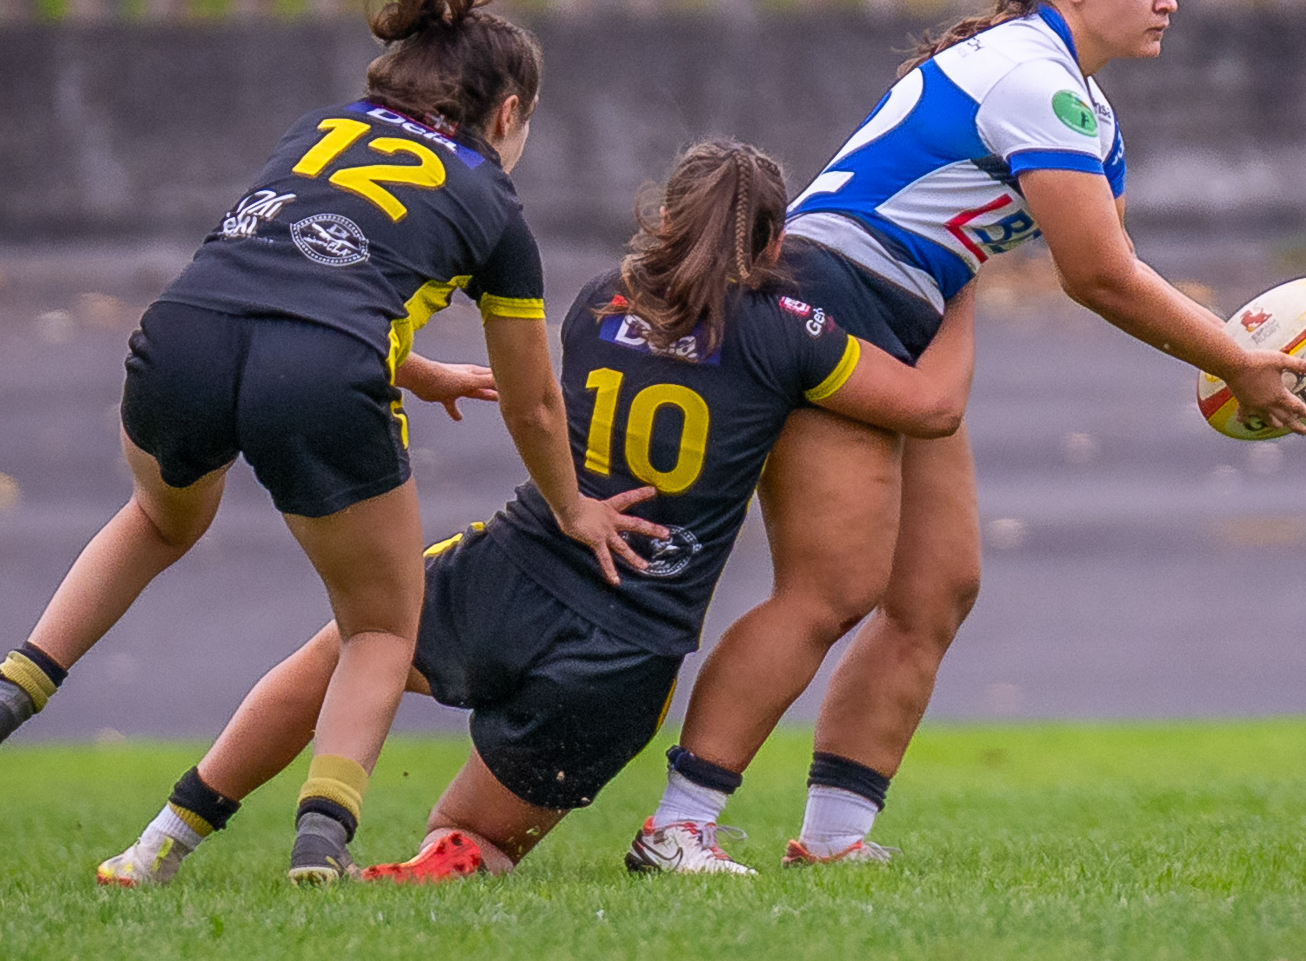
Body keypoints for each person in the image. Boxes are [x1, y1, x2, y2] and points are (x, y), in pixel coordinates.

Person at [0, 0, 657, 883]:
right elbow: (534, 404)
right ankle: (321, 840)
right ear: (508, 113)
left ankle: (12, 689)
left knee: (157, 518)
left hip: (184, 335)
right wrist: (572, 507)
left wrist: (414, 369)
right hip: (320, 374)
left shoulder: (319, 130)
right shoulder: (493, 202)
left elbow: (284, 284)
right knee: (382, 628)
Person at [631, 0, 1306, 868]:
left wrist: (1226, 352)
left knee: (937, 587)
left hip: (901, 318)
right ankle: (677, 825)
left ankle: (834, 839)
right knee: (830, 589)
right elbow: (1098, 276)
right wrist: (1235, 359)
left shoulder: (1082, 107)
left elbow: (1106, 260)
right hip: (832, 303)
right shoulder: (1033, 79)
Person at [93, 139, 977, 887]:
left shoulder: (599, 299)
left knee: (344, 654)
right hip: (625, 645)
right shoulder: (791, 330)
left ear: (664, 219)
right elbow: (932, 409)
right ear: (777, 242)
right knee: (471, 843)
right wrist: (956, 289)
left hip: (517, 567)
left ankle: (162, 841)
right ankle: (458, 856)